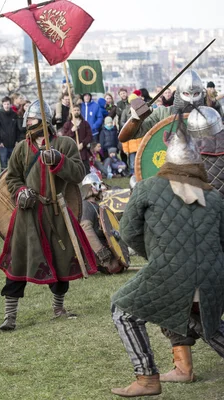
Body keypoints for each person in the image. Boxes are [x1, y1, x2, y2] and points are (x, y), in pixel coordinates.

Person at [110, 114, 224, 397]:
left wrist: (158, 256)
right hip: (214, 272)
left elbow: (128, 232)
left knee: (123, 310)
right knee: (205, 323)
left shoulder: (147, 188)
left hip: (171, 268)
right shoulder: (216, 197)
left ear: (167, 161)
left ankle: (147, 378)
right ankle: (176, 367)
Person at [0, 99, 96, 331]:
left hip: (56, 211)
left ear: (44, 121)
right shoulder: (22, 148)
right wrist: (20, 192)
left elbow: (79, 174)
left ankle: (58, 307)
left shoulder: (65, 144)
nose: (28, 122)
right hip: (28, 213)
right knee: (18, 262)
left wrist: (59, 161)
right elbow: (12, 178)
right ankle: (10, 316)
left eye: (31, 119)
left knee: (61, 262)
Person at [79, 173, 120, 274]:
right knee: (115, 267)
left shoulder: (96, 205)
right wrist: (101, 252)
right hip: (95, 249)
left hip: (104, 244)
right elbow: (86, 229)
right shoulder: (86, 206)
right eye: (95, 185)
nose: (98, 188)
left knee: (119, 265)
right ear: (88, 187)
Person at [61, 104, 92, 173]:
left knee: (86, 170)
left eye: (78, 110)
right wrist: (72, 130)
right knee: (73, 170)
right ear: (71, 112)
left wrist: (82, 144)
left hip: (83, 150)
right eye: (74, 110)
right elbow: (64, 137)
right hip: (72, 151)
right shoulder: (67, 124)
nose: (76, 112)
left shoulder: (85, 123)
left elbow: (89, 136)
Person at [0, 96, 21, 169]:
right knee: (3, 165)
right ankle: (3, 180)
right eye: (5, 104)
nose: (6, 106)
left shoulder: (15, 115)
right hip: (3, 145)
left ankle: (13, 179)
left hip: (13, 144)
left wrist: (17, 140)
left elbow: (18, 129)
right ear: (2, 104)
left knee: (14, 165)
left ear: (10, 104)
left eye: (8, 104)